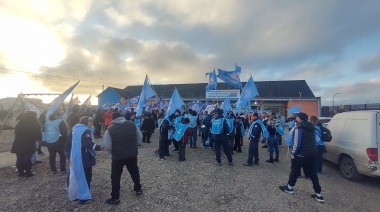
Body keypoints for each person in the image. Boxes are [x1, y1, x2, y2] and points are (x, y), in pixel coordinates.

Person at [279, 112, 324, 203]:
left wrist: (293, 153)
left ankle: (289, 187)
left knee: (294, 171)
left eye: (297, 117)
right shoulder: (311, 127)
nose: (296, 118)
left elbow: (297, 142)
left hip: (301, 154)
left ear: (299, 118)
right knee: (312, 173)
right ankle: (318, 194)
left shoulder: (299, 128)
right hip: (312, 154)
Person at [103, 112, 143, 205]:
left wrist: (112, 152)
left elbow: (107, 145)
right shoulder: (132, 124)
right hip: (132, 154)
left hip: (118, 156)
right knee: (134, 171)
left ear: (113, 119)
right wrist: (133, 146)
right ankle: (138, 189)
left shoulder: (110, 129)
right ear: (122, 117)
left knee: (116, 177)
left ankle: (115, 198)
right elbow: (140, 137)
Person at [68, 116, 103, 204]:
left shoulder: (75, 130)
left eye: (92, 121)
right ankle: (84, 197)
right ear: (85, 122)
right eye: (89, 122)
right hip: (84, 157)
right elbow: (87, 143)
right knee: (86, 176)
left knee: (76, 175)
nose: (91, 123)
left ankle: (75, 194)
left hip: (75, 156)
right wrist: (98, 147)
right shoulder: (85, 131)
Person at [11, 111, 42, 177]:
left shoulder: (19, 123)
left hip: (18, 143)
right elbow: (38, 133)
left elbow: (16, 134)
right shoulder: (34, 123)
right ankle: (28, 172)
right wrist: (39, 139)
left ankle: (20, 172)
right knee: (27, 158)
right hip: (29, 143)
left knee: (19, 159)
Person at [43, 109, 68, 175]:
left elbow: (44, 131)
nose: (61, 116)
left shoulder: (47, 122)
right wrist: (65, 141)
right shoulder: (60, 122)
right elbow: (64, 133)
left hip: (49, 141)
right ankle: (62, 170)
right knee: (62, 155)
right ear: (56, 115)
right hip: (58, 141)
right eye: (60, 115)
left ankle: (53, 170)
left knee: (52, 156)